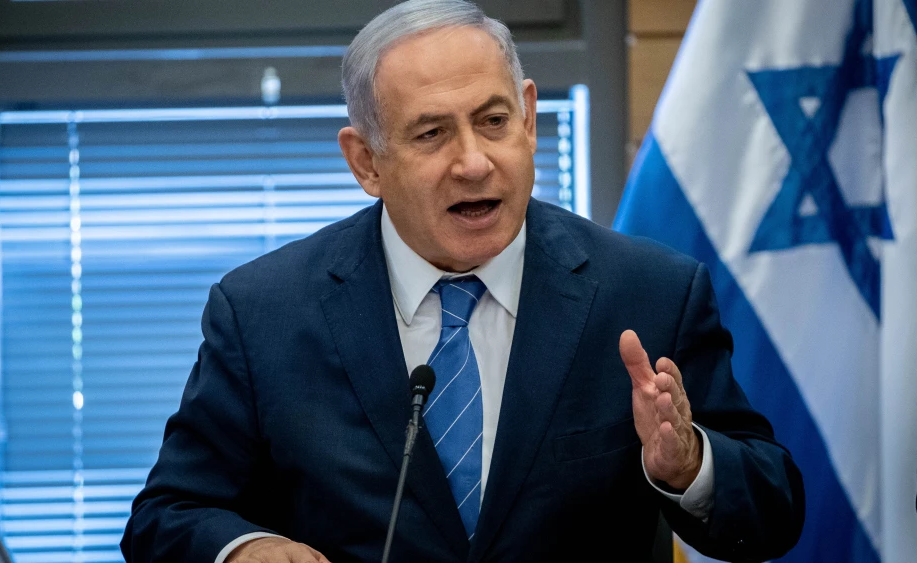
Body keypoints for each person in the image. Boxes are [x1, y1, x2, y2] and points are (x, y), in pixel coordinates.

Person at [121, 1, 805, 561]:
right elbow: (166, 517)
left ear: (530, 119)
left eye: (494, 121)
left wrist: (690, 465)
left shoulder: (651, 291)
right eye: (431, 135)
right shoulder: (262, 312)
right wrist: (243, 549)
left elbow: (776, 509)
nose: (474, 162)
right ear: (366, 161)